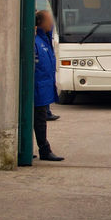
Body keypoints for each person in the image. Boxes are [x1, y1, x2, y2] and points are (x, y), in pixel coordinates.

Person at [34, 10, 65, 161]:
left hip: (43, 89)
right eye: (49, 20)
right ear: (40, 23)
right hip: (36, 91)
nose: (51, 23)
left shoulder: (44, 40)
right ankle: (44, 150)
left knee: (39, 121)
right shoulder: (36, 42)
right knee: (39, 122)